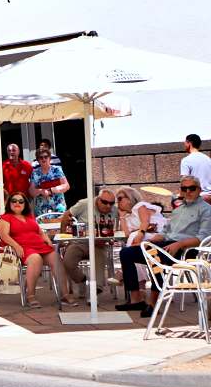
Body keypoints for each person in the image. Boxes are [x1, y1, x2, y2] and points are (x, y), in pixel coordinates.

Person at [116, 176, 211, 317]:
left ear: (199, 190)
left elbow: (204, 237)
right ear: (181, 191)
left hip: (188, 250)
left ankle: (154, 303)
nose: (188, 191)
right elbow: (165, 232)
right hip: (167, 245)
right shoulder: (178, 210)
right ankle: (136, 299)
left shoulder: (206, 210)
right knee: (127, 253)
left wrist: (179, 244)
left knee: (154, 255)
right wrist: (151, 241)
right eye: (185, 188)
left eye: (192, 188)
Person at [0, 194, 77, 308]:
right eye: (14, 201)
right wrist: (16, 246)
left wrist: (47, 239)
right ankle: (30, 295)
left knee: (56, 258)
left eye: (21, 201)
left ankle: (64, 294)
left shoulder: (29, 216)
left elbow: (39, 231)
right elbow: (3, 235)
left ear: (25, 204)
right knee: (35, 259)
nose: (17, 203)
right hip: (22, 248)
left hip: (39, 246)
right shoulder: (6, 217)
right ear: (9, 203)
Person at [58, 188, 115, 293]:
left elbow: (117, 230)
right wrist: (63, 237)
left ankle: (96, 290)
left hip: (99, 244)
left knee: (99, 257)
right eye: (105, 202)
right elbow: (66, 216)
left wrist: (111, 238)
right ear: (98, 199)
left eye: (111, 203)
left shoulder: (114, 210)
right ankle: (82, 280)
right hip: (80, 243)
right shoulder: (85, 204)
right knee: (68, 262)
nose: (108, 206)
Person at [28, 148, 69, 215]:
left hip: (58, 208)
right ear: (38, 160)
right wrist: (41, 191)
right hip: (41, 210)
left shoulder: (57, 170)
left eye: (46, 157)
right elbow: (31, 191)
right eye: (41, 157)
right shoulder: (35, 173)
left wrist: (51, 190)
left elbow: (66, 186)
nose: (43, 159)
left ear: (49, 158)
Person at [179, 134, 211, 203]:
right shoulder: (208, 159)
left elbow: (185, 182)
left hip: (197, 198)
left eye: (185, 143)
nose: (184, 145)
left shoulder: (186, 160)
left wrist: (180, 197)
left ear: (189, 143)